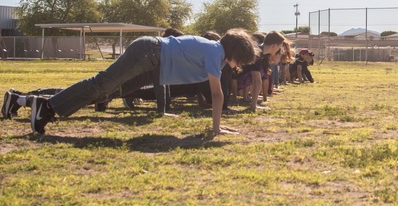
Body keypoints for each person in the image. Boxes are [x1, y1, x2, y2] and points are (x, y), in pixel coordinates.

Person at [25, 29, 259, 136]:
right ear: (234, 51)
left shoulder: (216, 57)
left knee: (110, 92)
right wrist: (217, 130)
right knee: (102, 84)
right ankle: (47, 107)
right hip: (149, 52)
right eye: (240, 59)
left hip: (154, 64)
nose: (239, 65)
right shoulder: (214, 52)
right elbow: (216, 95)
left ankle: (48, 107)